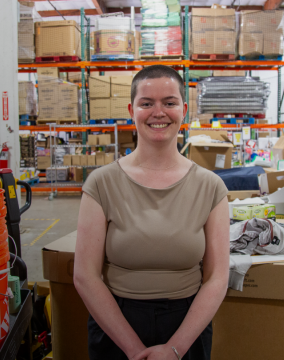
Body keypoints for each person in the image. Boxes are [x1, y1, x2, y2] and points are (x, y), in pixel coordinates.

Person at [74, 65, 230, 360]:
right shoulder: (102, 183)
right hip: (116, 325)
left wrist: (175, 349)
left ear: (184, 109)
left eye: (169, 103)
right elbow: (85, 276)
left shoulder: (210, 187)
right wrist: (134, 352)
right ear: (131, 109)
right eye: (147, 103)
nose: (158, 112)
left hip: (186, 326)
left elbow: (217, 278)